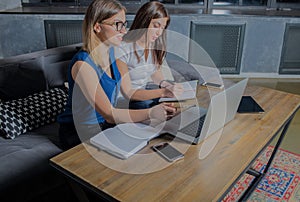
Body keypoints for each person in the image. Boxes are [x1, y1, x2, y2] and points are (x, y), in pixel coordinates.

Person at [57, 0, 176, 150]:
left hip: (105, 126)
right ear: (97, 27)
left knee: (157, 139)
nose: (124, 31)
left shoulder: (112, 52)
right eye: (117, 25)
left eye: (124, 24)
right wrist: (151, 113)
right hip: (79, 132)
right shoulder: (83, 65)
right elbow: (109, 114)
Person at [116, 1, 182, 109]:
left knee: (176, 105)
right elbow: (128, 92)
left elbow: (155, 72)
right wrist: (163, 92)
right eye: (156, 26)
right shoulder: (122, 48)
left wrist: (165, 84)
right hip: (124, 100)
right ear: (144, 21)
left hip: (142, 94)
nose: (159, 33)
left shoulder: (152, 45)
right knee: (154, 107)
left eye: (163, 28)